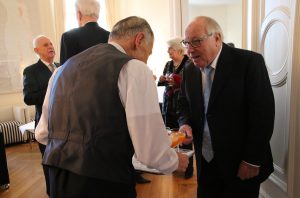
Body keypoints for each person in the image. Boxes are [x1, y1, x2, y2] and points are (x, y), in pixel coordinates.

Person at [35, 16, 189, 198]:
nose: (146, 60)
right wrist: (175, 161)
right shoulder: (135, 69)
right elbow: (150, 151)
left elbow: (42, 133)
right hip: (104, 181)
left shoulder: (61, 70)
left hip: (57, 177)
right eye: (148, 53)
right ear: (139, 40)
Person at [178, 16, 275, 198]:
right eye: (186, 43)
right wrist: (185, 123)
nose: (190, 50)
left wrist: (252, 160)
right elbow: (184, 104)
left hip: (241, 163)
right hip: (205, 162)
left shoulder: (249, 63)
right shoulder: (189, 70)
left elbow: (263, 115)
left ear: (217, 38)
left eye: (196, 42)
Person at [23, 35, 58, 196]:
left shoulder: (62, 66)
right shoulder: (30, 71)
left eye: (51, 43)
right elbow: (28, 98)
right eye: (45, 45)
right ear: (37, 51)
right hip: (45, 124)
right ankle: (52, 192)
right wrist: (53, 89)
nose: (50, 46)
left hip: (65, 122)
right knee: (49, 160)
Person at [157, 37, 193, 179]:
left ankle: (187, 171)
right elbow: (165, 84)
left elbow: (190, 85)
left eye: (170, 49)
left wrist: (178, 82)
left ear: (178, 49)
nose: (168, 51)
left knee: (184, 138)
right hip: (168, 104)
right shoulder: (168, 64)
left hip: (182, 106)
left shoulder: (189, 63)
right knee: (171, 138)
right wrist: (162, 80)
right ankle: (174, 167)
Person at [60, 0, 110, 65]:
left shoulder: (68, 36)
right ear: (97, 15)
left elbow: (64, 71)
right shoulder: (110, 35)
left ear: (79, 14)